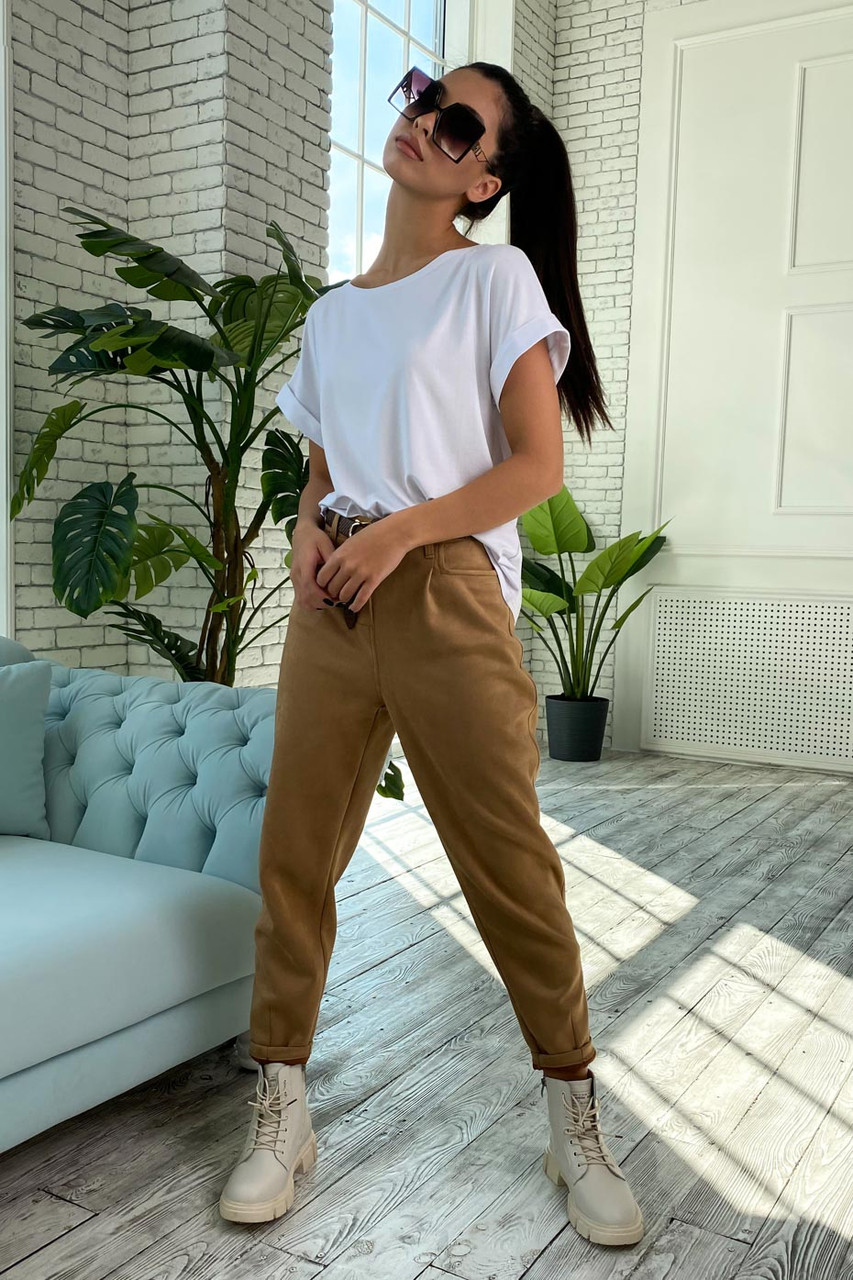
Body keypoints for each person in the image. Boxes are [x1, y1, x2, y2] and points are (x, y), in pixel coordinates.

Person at [219, 61, 643, 1248]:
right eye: (423, 97)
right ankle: (282, 1106)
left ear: (484, 179)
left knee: (507, 864)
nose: (423, 121)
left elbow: (533, 467)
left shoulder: (492, 279)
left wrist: (400, 531)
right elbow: (321, 473)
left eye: (457, 124)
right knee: (294, 855)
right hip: (333, 601)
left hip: (445, 591)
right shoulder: (333, 314)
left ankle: (573, 1117)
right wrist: (308, 532)